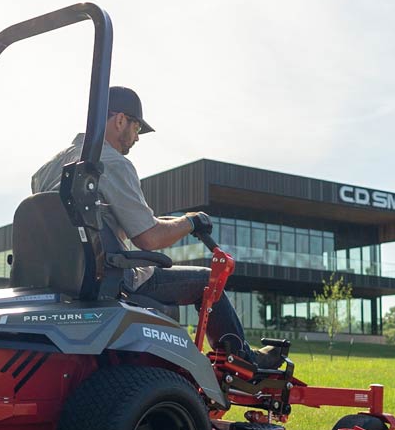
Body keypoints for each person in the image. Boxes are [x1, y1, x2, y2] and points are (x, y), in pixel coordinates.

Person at [31, 86, 283, 369]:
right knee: (207, 279)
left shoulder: (50, 167)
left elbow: (121, 223)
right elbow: (148, 238)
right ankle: (242, 360)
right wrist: (191, 222)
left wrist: (177, 221)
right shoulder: (111, 163)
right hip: (110, 279)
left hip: (60, 279)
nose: (137, 137)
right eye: (137, 127)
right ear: (120, 120)